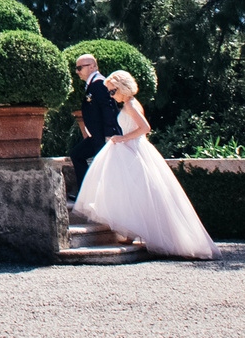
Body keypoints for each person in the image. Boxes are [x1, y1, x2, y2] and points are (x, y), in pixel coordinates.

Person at [74, 69, 216, 258]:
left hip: (134, 149)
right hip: (131, 149)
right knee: (133, 193)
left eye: (112, 91)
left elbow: (145, 128)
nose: (111, 96)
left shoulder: (131, 105)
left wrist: (122, 138)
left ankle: (135, 233)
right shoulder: (129, 104)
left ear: (122, 88)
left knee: (138, 193)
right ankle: (131, 232)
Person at [67, 51, 124, 198]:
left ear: (92, 66)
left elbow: (109, 110)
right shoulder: (92, 84)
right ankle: (86, 193)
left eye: (80, 68)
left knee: (107, 169)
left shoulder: (99, 84)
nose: (77, 71)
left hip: (104, 136)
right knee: (77, 154)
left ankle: (98, 196)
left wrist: (109, 135)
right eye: (77, 68)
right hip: (96, 136)